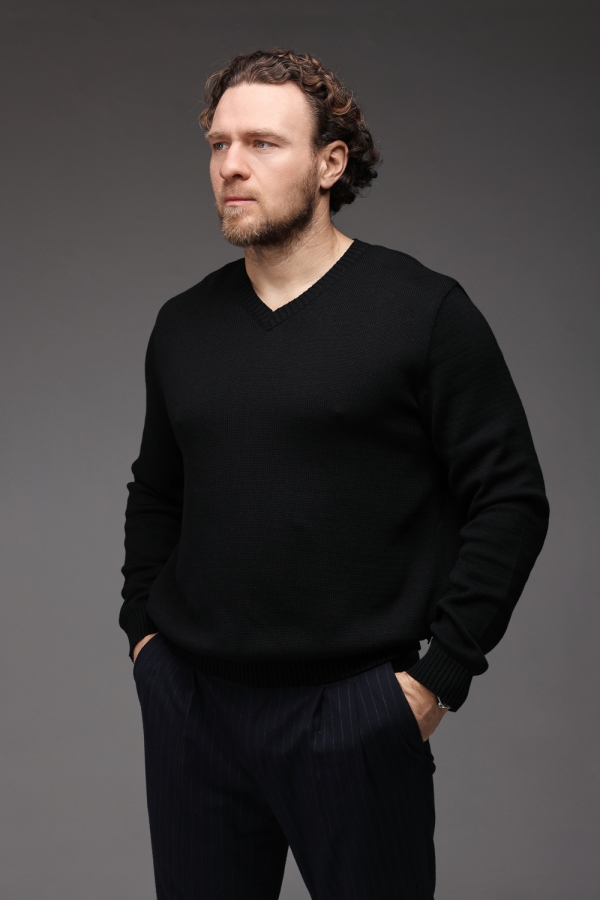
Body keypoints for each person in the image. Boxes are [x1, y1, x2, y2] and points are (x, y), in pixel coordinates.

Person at [119, 49, 549, 900]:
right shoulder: (183, 325)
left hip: (355, 714)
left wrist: (436, 681)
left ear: (330, 163)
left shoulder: (422, 312)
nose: (231, 165)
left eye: (263, 143)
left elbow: (511, 498)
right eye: (218, 144)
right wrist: (144, 638)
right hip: (193, 712)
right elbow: (158, 493)